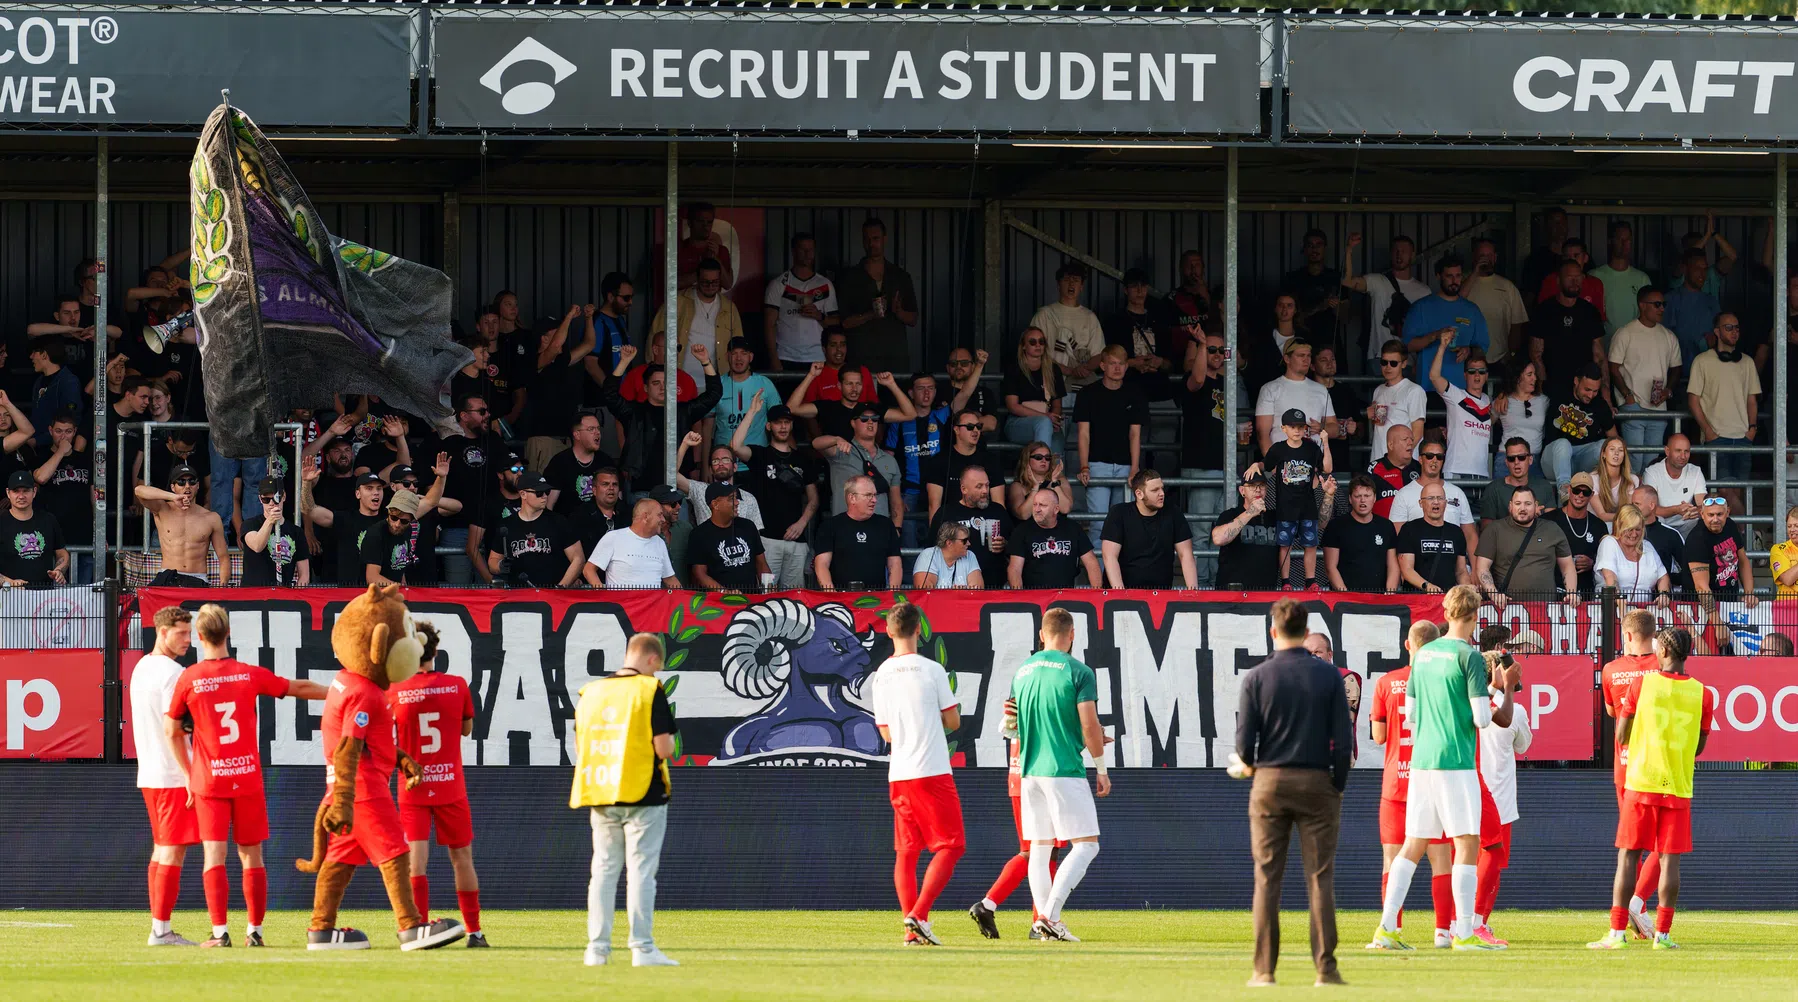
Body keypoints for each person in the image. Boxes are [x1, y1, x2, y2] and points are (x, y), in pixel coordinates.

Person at [165, 603, 327, 948]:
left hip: (209, 780)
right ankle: (255, 932)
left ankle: (220, 934)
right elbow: (296, 687)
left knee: (214, 856)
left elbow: (172, 730)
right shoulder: (247, 673)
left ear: (199, 636)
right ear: (228, 633)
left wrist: (187, 773)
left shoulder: (189, 677)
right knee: (252, 857)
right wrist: (338, 691)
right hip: (247, 778)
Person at [1369, 585, 1516, 953]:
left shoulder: (1424, 656)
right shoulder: (1468, 657)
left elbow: (1413, 714)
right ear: (1474, 616)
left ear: (1446, 612)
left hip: (1422, 762)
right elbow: (1483, 719)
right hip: (1456, 761)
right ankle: (1463, 932)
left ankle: (1387, 929)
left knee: (1413, 845)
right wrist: (1500, 690)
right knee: (1466, 843)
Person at [1233, 597, 1352, 987]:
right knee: (1320, 878)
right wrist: (1337, 786)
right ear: (1305, 632)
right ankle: (1326, 971)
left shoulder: (1256, 677)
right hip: (1318, 781)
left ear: (1273, 631)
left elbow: (1244, 747)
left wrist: (1254, 767)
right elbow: (1342, 739)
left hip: (1270, 781)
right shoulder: (1330, 677)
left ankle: (1263, 971)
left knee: (1267, 878)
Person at [1588, 627, 1712, 952]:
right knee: (1671, 862)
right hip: (1679, 785)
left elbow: (1621, 735)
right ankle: (1663, 934)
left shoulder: (1642, 683)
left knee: (1628, 856)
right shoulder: (1703, 692)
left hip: (1642, 781)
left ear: (1665, 653)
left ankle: (1616, 933)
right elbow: (1699, 747)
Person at [572, 633, 681, 967]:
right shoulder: (649, 690)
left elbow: (581, 746)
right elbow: (663, 748)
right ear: (651, 659)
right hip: (643, 793)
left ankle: (596, 949)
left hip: (602, 791)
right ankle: (643, 948)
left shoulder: (591, 692)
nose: (656, 674)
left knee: (603, 872)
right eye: (657, 668)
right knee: (641, 872)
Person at [1007, 606, 1108, 942]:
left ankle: (1046, 923)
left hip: (1030, 769)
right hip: (1064, 768)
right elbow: (1089, 724)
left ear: (1041, 634)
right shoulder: (1078, 671)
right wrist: (1101, 766)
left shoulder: (1022, 671)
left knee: (1040, 847)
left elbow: (1014, 725)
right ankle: (1049, 916)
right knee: (1087, 845)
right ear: (1072, 634)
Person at [871, 603, 965, 946]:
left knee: (907, 853)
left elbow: (886, 734)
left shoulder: (881, 674)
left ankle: (912, 930)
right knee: (952, 845)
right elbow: (953, 721)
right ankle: (919, 914)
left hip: (900, 772)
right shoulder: (931, 669)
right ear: (918, 631)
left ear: (888, 631)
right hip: (932, 769)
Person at [389, 624, 488, 947]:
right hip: (450, 784)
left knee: (416, 862)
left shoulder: (395, 689)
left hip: (412, 786)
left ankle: (419, 929)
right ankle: (474, 931)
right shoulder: (456, 685)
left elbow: (383, 740)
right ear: (434, 650)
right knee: (463, 859)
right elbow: (466, 729)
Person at [1368, 621, 1455, 947]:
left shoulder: (1387, 682)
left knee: (1393, 859)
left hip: (1396, 781)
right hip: (1433, 775)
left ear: (1408, 645)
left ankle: (1392, 929)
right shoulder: (1445, 679)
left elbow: (1378, 736)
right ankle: (1443, 932)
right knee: (1441, 858)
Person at [134, 606, 202, 947]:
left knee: (163, 849)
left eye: (189, 634)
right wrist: (189, 773)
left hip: (150, 771)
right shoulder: (172, 672)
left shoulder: (141, 667)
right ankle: (160, 930)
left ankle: (160, 926)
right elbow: (173, 729)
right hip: (172, 774)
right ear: (162, 632)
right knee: (172, 851)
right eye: (181, 633)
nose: (187, 641)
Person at [1600, 610, 1664, 941]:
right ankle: (1638, 904)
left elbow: (1614, 713)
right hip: (1657, 765)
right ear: (1655, 636)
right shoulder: (1663, 669)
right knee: (1661, 844)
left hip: (1625, 765)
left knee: (1631, 843)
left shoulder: (1611, 670)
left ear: (1625, 635)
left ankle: (1631, 912)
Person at [599, 343, 722, 493]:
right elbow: (609, 395)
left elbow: (714, 394)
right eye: (656, 383)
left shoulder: (683, 411)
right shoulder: (633, 412)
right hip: (641, 487)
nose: (662, 387)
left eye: (666, 383)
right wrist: (624, 362)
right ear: (645, 388)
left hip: (676, 489)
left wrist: (705, 362)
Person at [1474, 629, 1532, 945]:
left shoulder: (1467, 700)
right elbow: (1523, 744)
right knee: (1493, 862)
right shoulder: (1514, 709)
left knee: (1466, 861)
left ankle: (1460, 922)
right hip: (1496, 796)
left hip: (1465, 790)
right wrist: (1507, 689)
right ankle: (1477, 922)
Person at [730, 395, 822, 590]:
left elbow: (813, 499)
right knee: (765, 596)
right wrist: (753, 412)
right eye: (778, 422)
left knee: (794, 600)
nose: (783, 427)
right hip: (766, 541)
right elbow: (736, 447)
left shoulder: (803, 459)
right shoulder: (760, 455)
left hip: (797, 541)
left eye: (787, 422)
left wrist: (802, 523)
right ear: (768, 426)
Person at [1686, 312, 1761, 514]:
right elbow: (1693, 400)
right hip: (1716, 438)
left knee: (1739, 491)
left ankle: (1739, 538)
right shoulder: (1702, 361)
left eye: (1736, 327)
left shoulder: (1747, 362)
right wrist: (1708, 431)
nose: (1734, 332)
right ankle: (1749, 531)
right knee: (1724, 491)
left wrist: (1752, 429)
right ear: (1717, 332)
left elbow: (1751, 400)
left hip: (1743, 437)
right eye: (1728, 328)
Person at [1179, 330, 1251, 536]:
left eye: (1222, 350)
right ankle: (1200, 571)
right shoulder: (1192, 379)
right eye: (1212, 350)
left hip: (1227, 467)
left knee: (1224, 532)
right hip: (1201, 465)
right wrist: (1201, 344)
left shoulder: (1227, 384)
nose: (1217, 354)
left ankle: (1217, 571)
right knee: (1201, 532)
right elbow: (1199, 378)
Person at [1075, 346, 1147, 547]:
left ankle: (1117, 577)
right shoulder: (1088, 393)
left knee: (1122, 526)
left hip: (1125, 467)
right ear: (1102, 365)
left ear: (1127, 366)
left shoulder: (1135, 393)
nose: (1117, 368)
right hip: (1097, 464)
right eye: (1113, 363)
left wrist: (1134, 467)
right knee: (1098, 524)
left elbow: (1135, 434)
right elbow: (1083, 434)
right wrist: (1084, 466)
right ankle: (1098, 578)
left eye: (1122, 363)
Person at [1608, 287, 1681, 466]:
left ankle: (1646, 494)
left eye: (1663, 304)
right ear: (1642, 306)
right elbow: (1613, 367)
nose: (1662, 308)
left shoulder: (1668, 336)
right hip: (1633, 406)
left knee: (1652, 462)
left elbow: (1677, 368)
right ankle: (1632, 494)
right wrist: (1627, 396)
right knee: (1634, 459)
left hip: (1658, 407)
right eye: (1657, 304)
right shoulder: (1625, 332)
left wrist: (1668, 391)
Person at [836, 217, 919, 372]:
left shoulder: (900, 276)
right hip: (861, 357)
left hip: (895, 358)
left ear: (884, 239)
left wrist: (899, 312)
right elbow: (844, 322)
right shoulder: (849, 277)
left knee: (894, 396)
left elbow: (913, 319)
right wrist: (870, 314)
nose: (871, 244)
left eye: (875, 238)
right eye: (867, 239)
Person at [1474, 486, 1578, 609]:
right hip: (1506, 607)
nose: (1522, 508)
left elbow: (1567, 566)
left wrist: (1571, 593)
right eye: (1518, 503)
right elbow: (1482, 567)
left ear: (1536, 505)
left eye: (1527, 504)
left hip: (1547, 610)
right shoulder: (1494, 530)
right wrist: (1494, 594)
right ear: (1510, 506)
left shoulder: (1552, 529)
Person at [649, 257, 742, 389]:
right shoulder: (677, 302)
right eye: (705, 282)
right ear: (697, 279)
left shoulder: (729, 308)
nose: (710, 286)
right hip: (677, 382)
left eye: (715, 282)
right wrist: (651, 375)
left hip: (717, 384)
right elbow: (654, 339)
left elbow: (739, 347)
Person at [1263, 408, 1330, 590]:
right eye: (1292, 427)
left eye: (1300, 426)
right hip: (1285, 507)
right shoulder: (1278, 449)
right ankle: (1286, 582)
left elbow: (1327, 468)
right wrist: (1255, 464)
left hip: (1308, 505)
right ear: (1283, 428)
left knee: (1311, 544)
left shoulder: (1311, 448)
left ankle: (1311, 581)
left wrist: (1325, 441)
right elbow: (1266, 465)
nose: (1297, 430)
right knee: (1285, 545)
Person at [1404, 255, 1489, 393]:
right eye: (1449, 276)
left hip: (1462, 388)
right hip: (1427, 387)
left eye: (1458, 276)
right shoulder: (1421, 307)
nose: (1454, 281)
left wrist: (1469, 350)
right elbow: (1408, 345)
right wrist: (1435, 336)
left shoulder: (1472, 310)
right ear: (1438, 276)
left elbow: (1482, 348)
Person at [1344, 233, 1430, 368]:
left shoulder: (1424, 292)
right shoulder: (1377, 281)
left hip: (1409, 361)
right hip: (1380, 358)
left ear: (1412, 255)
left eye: (1404, 251)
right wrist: (1349, 249)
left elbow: (1427, 331)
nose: (1399, 255)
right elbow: (1347, 281)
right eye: (1396, 251)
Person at [1101, 469, 1197, 590]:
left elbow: (1186, 555)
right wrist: (1121, 595)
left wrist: (1194, 592)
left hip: (1160, 594)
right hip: (1124, 593)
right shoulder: (1119, 513)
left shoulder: (1173, 513)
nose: (1162, 493)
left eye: (1162, 488)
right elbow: (1109, 557)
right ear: (1139, 494)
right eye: (1155, 490)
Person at [1683, 494, 1757, 651]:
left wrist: (1749, 592)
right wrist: (1718, 624)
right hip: (1702, 610)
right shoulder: (1697, 539)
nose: (1715, 519)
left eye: (1719, 514)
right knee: (1709, 660)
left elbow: (1742, 559)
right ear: (1702, 514)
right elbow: (1702, 587)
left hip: (1729, 601)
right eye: (1710, 515)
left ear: (1728, 512)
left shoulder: (1730, 525)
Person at [135, 463, 227, 587]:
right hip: (168, 577)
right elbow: (139, 490)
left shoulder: (212, 518)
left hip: (197, 579)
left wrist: (223, 586)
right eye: (181, 482)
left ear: (198, 485)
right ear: (173, 487)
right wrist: (173, 497)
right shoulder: (163, 509)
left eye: (192, 482)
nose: (187, 486)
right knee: (138, 605)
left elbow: (223, 557)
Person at [1529, 259, 1610, 400]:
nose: (1575, 281)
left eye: (1578, 277)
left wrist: (1606, 394)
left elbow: (1600, 357)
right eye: (1570, 277)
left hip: (1584, 389)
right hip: (1553, 388)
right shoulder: (1544, 310)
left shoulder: (1590, 311)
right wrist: (1542, 390)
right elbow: (1536, 354)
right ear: (1558, 281)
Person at [485, 473, 584, 588]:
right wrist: (501, 566)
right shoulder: (506, 525)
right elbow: (493, 562)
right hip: (518, 597)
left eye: (547, 492)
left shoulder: (559, 522)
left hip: (553, 596)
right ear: (523, 494)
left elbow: (578, 559)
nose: (545, 496)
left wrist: (561, 588)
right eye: (539, 493)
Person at [1389, 434, 1477, 555]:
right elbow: (1397, 538)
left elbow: (1470, 536)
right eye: (1429, 456)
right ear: (1420, 459)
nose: (1434, 460)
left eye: (1439, 457)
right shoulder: (1404, 494)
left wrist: (1475, 572)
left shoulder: (1457, 493)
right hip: (1416, 567)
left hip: (1454, 567)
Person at [819, 403, 905, 528]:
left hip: (879, 531)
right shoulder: (841, 451)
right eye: (864, 419)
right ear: (853, 423)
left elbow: (896, 502)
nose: (870, 422)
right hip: (846, 529)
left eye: (875, 419)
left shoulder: (889, 460)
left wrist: (897, 529)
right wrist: (836, 439)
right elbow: (816, 443)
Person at [763, 232, 839, 370]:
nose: (807, 254)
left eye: (810, 250)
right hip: (786, 357)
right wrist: (774, 359)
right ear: (793, 251)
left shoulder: (825, 284)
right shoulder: (778, 284)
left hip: (817, 357)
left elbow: (836, 322)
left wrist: (819, 316)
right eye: (802, 249)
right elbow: (769, 324)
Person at [362, 474, 453, 588]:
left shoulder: (408, 529)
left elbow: (432, 501)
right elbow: (372, 578)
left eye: (404, 521)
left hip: (396, 593)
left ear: (412, 519)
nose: (397, 524)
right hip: (376, 596)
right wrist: (402, 588)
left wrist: (442, 477)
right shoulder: (376, 533)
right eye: (394, 518)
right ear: (389, 511)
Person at [928, 465, 1013, 587]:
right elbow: (933, 549)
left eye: (987, 485)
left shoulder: (998, 510)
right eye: (979, 486)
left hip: (995, 585)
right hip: (958, 586)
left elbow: (1015, 545)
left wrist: (1005, 544)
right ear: (964, 489)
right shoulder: (946, 513)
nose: (985, 490)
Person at [813, 476, 903, 591]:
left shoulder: (886, 525)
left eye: (875, 495)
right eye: (868, 495)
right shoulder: (830, 526)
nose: (874, 500)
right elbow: (821, 564)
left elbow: (895, 564)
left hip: (877, 599)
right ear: (852, 498)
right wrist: (832, 595)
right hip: (840, 597)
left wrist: (892, 593)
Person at [1541, 365, 1620, 495]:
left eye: (1595, 391)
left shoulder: (1600, 404)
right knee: (1563, 444)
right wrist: (1502, 395)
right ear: (1576, 382)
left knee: (1604, 445)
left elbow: (1615, 440)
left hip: (1582, 462)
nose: (1591, 395)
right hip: (1554, 459)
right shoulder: (1558, 392)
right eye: (1587, 389)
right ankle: (1565, 492)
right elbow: (1528, 389)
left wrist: (1628, 472)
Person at [1031, 260, 1106, 396]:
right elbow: (1036, 353)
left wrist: (1084, 369)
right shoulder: (1044, 314)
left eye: (1076, 280)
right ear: (1058, 284)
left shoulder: (1090, 317)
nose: (1071, 284)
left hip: (1083, 386)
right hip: (1051, 382)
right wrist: (1068, 370)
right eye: (1066, 280)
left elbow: (1098, 353)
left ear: (1081, 286)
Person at [1253, 339, 1336, 457]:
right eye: (1301, 355)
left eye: (1308, 356)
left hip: (1313, 465)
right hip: (1283, 464)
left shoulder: (1321, 390)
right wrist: (1273, 466)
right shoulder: (1270, 389)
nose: (1306, 360)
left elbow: (1335, 429)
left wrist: (1321, 427)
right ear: (1287, 359)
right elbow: (1263, 434)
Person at [1007, 486, 1101, 589]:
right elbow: (1015, 569)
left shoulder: (1072, 528)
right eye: (1035, 505)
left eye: (1042, 505)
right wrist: (1019, 598)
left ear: (1056, 509)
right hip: (1033, 597)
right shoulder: (1022, 530)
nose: (1037, 509)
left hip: (1065, 596)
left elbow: (1091, 562)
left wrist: (1097, 593)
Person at [1105, 268, 1178, 399]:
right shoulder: (1114, 321)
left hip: (1160, 393)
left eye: (1143, 286)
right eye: (1134, 286)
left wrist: (1159, 362)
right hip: (1126, 394)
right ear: (1126, 290)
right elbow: (1105, 361)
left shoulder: (1159, 321)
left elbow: (1171, 363)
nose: (1139, 291)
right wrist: (1132, 363)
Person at [1428, 334, 1493, 480]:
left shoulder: (1488, 401)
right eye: (1472, 371)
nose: (1477, 375)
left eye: (1481, 371)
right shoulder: (1455, 395)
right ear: (1465, 375)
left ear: (1487, 376)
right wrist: (1442, 346)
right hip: (1456, 470)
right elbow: (1434, 376)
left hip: (1482, 473)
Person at [688, 482, 770, 592]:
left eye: (736, 497)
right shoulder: (699, 534)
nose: (737, 502)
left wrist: (769, 589)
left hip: (752, 599)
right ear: (715, 504)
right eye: (731, 498)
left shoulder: (748, 526)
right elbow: (699, 573)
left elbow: (761, 563)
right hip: (720, 604)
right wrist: (725, 593)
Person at [925, 406, 1003, 521]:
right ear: (956, 430)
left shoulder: (991, 460)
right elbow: (934, 507)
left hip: (985, 523)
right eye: (970, 427)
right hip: (952, 526)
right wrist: (936, 537)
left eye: (979, 426)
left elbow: (999, 505)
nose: (975, 431)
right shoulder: (940, 461)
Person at [673, 434, 765, 530]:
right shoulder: (700, 490)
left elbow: (755, 535)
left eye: (726, 460)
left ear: (735, 467)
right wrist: (685, 444)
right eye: (715, 461)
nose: (720, 464)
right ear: (710, 470)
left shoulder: (749, 499)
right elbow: (672, 475)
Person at [585, 498, 679, 590]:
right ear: (646, 517)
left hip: (652, 605)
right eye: (660, 515)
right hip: (622, 604)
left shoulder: (660, 543)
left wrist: (687, 601)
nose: (663, 519)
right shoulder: (614, 538)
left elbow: (670, 579)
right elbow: (589, 570)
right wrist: (604, 595)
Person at [1464, 238, 1531, 366]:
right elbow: (1455, 305)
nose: (1486, 259)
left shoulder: (1508, 287)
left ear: (1495, 258)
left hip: (1500, 358)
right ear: (1474, 258)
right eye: (1481, 256)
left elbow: (1517, 325)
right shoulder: (1464, 284)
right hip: (1469, 358)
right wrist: (1475, 272)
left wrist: (1511, 353)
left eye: (1489, 255)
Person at [1543, 472, 1609, 596]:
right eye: (1576, 490)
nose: (1580, 495)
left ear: (1592, 495)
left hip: (1586, 593)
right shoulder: (1549, 520)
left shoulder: (1599, 525)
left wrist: (1592, 563)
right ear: (1569, 490)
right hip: (1553, 591)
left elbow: (1606, 559)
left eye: (1586, 492)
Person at [1212, 470, 1281, 591]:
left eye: (1262, 486)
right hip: (1233, 593)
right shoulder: (1230, 514)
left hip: (1266, 594)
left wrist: (1327, 497)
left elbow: (1319, 525)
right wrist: (1250, 513)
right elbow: (1218, 539)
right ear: (1242, 491)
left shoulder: (1274, 517)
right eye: (1252, 485)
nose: (1258, 489)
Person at [1398, 482, 1471, 593]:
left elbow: (1460, 571)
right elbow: (1406, 569)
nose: (1436, 502)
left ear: (1446, 503)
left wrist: (1467, 589)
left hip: (1447, 601)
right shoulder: (1409, 529)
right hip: (1417, 600)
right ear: (1421, 503)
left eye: (1440, 498)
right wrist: (1427, 586)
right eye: (1430, 498)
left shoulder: (1456, 532)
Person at [0, 470, 69, 587]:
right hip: (7, 598)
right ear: (8, 493)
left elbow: (62, 553)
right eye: (16, 491)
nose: (21, 496)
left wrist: (59, 570)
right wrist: (9, 582)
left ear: (34, 492)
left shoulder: (48, 519)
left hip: (43, 597)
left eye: (26, 491)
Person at [711, 337, 779, 453]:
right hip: (724, 461)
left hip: (758, 459)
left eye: (744, 353)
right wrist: (703, 465)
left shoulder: (765, 384)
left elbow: (779, 421)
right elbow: (707, 427)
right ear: (727, 356)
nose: (738, 358)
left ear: (751, 357)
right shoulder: (716, 386)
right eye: (734, 353)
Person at [1003, 327, 1065, 454]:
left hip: (1047, 421)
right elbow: (1012, 406)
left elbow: (1057, 405)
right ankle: (1041, 471)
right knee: (1043, 424)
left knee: (1057, 440)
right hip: (1017, 423)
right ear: (1024, 346)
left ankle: (1055, 473)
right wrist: (1046, 418)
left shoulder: (1053, 369)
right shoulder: (1014, 368)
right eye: (1032, 342)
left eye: (1041, 342)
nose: (1038, 345)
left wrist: (1054, 419)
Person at [1590, 220, 1654, 339]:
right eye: (1620, 239)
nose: (1624, 243)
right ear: (1610, 241)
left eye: (1628, 239)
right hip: (1603, 349)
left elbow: (1649, 318)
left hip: (1634, 348)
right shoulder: (1594, 276)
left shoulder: (1642, 279)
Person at [1597, 504, 1671, 606]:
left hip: (1643, 614)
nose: (1634, 534)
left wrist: (1664, 594)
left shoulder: (1647, 546)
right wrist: (1618, 597)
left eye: (1638, 529)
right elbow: (1609, 575)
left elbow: (1663, 576)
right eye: (1630, 529)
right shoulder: (1609, 542)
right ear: (1620, 526)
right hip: (1611, 611)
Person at [1284, 228, 1344, 354]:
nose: (1314, 249)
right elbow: (1289, 316)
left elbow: (1346, 317)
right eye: (1310, 245)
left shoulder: (1336, 278)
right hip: (1301, 344)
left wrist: (1337, 306)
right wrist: (1321, 306)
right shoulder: (1293, 279)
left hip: (1330, 345)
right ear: (1304, 250)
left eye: (1319, 245)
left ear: (1325, 248)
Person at [1661, 248, 1721, 372]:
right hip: (1677, 375)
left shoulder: (1711, 302)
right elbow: (1663, 339)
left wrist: (1714, 342)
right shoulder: (1670, 300)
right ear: (1685, 269)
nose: (1702, 274)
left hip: (1708, 373)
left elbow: (1721, 338)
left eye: (1705, 269)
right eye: (1697, 268)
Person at [241, 476, 308, 587]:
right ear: (260, 499)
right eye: (266, 499)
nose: (271, 503)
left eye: (276, 498)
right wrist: (270, 521)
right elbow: (257, 546)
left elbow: (304, 575)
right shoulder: (250, 524)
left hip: (283, 595)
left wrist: (296, 596)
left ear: (284, 496)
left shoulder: (296, 532)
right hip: (253, 595)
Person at [543, 413, 612, 517]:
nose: (597, 432)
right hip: (567, 527)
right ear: (577, 435)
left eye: (598, 428)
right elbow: (548, 506)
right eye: (591, 429)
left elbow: (617, 501)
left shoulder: (606, 462)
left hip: (600, 527)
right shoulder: (559, 462)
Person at [1491, 361, 1550, 479]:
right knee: (1504, 496)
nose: (1534, 378)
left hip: (1534, 459)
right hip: (1506, 459)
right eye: (1529, 374)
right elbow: (1484, 425)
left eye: (1534, 374)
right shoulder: (1503, 400)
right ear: (1517, 378)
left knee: (1533, 497)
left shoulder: (1544, 401)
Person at [1366, 340, 1428, 451]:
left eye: (1393, 363)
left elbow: (1417, 433)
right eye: (1384, 362)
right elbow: (1380, 427)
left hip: (1401, 463)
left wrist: (1402, 458)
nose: (1388, 367)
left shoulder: (1414, 391)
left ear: (1404, 364)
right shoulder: (1378, 390)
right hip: (1378, 458)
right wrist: (1371, 416)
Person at [1479, 437, 1556, 526]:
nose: (1516, 462)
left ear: (1530, 460)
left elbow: (1552, 525)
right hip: (1505, 540)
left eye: (1521, 457)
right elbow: (1487, 529)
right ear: (1506, 462)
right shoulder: (1493, 489)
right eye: (1511, 459)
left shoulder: (1544, 486)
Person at [1643, 436, 1709, 538]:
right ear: (1667, 451)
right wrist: (1677, 510)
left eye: (1686, 451)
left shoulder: (1695, 471)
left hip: (1687, 522)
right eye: (1678, 451)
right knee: (1656, 520)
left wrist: (1694, 511)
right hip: (1661, 525)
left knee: (1703, 521)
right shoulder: (1652, 472)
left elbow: (1703, 505)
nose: (1683, 456)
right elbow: (1651, 509)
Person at [1635, 486, 1693, 598]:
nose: (1633, 508)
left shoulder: (1671, 535)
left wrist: (1665, 578)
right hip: (1628, 600)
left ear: (1652, 506)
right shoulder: (1625, 533)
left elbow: (1688, 572)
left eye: (1637, 504)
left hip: (1661, 603)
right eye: (1632, 504)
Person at [797, 329, 874, 410]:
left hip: (861, 421)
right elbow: (808, 414)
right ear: (824, 349)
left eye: (842, 345)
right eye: (833, 345)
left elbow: (874, 406)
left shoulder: (862, 371)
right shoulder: (816, 374)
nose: (839, 349)